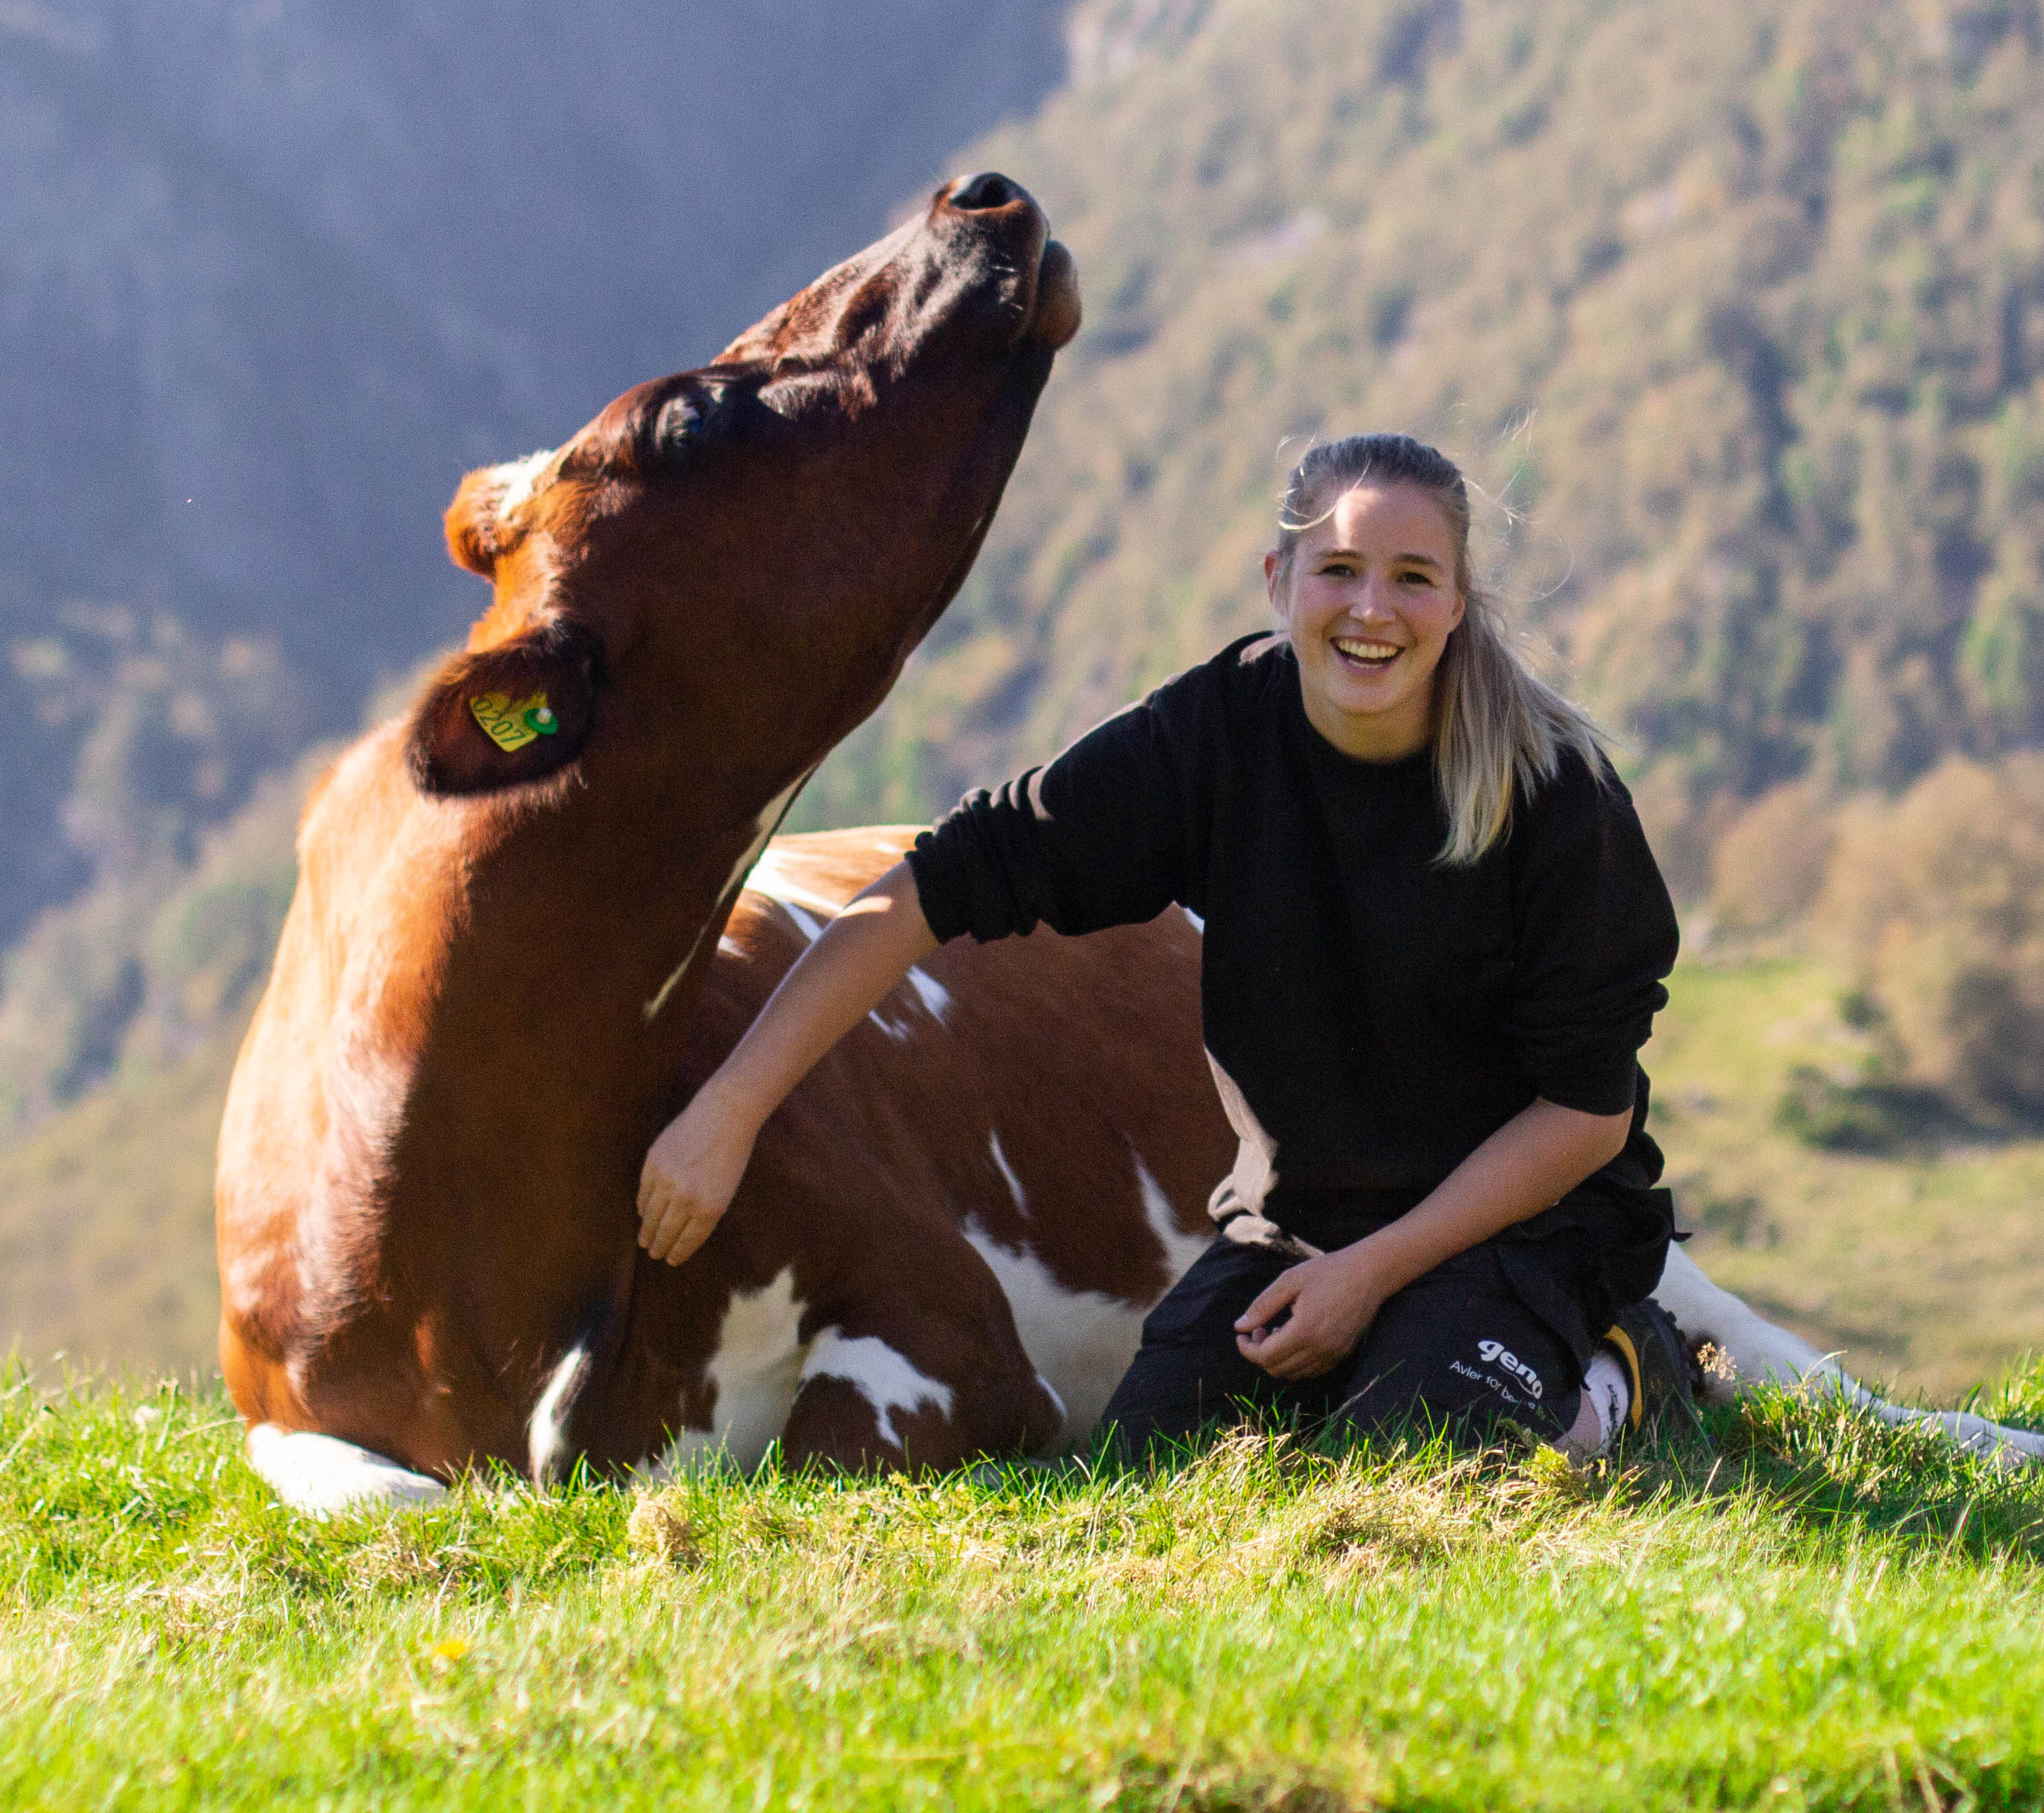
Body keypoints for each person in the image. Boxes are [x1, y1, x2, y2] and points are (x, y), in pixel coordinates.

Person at [632, 430, 1690, 1461]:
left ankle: (1626, 1371)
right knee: (1153, 1462)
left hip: (1524, 1226)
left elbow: (1588, 1115)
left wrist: (1372, 1274)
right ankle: (1404, 1355)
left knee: (1424, 1455)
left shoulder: (1555, 795)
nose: (1372, 609)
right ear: (1278, 581)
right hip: (1300, 1223)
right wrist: (729, 1111)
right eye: (1338, 569)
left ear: (1457, 603)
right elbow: (933, 888)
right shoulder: (1210, 738)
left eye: (1413, 578)